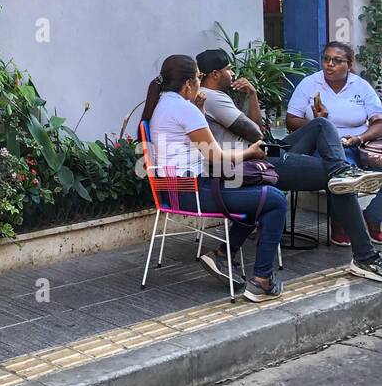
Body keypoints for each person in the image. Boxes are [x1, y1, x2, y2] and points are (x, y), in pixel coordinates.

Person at [196, 48, 382, 283]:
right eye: (228, 69)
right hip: (256, 163)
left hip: (259, 157)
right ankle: (365, 257)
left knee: (322, 125)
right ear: (214, 74)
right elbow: (256, 132)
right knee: (336, 180)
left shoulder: (210, 97)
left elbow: (256, 130)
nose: (232, 74)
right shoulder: (213, 98)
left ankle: (342, 171)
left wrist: (252, 94)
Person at [143, 54, 288, 302]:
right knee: (275, 200)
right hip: (193, 193)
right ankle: (262, 280)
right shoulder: (183, 109)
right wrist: (250, 152)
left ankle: (223, 254)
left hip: (176, 191)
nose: (200, 83)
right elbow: (216, 156)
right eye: (198, 77)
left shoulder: (163, 106)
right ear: (188, 84)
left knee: (260, 195)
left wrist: (198, 110)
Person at [287, 42, 382, 247]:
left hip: (359, 145)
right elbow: (291, 120)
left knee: (351, 161)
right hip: (322, 147)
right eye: (326, 59)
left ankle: (374, 216)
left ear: (349, 64)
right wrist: (319, 123)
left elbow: (379, 122)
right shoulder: (309, 84)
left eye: (337, 61)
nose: (329, 64)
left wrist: (359, 138)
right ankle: (340, 224)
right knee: (340, 167)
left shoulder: (361, 86)